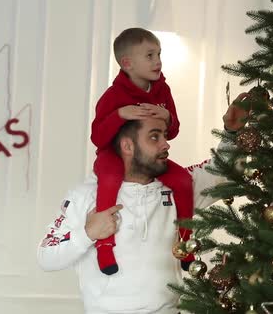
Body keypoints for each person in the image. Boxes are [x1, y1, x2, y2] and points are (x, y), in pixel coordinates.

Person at [37, 97, 248, 314]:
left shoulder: (180, 188)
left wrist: (231, 133)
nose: (166, 144)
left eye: (165, 136)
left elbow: (223, 172)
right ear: (127, 146)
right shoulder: (86, 194)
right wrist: (88, 233)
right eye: (154, 137)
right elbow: (46, 255)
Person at [90, 27, 193, 275]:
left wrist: (167, 117)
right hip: (113, 156)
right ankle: (105, 246)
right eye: (150, 56)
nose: (158, 61)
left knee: (183, 180)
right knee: (111, 179)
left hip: (148, 156)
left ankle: (185, 242)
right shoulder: (113, 96)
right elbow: (98, 138)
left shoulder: (163, 91)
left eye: (159, 54)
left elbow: (174, 130)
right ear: (127, 63)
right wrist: (119, 115)